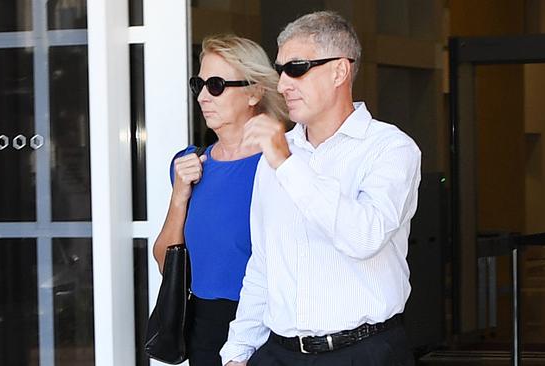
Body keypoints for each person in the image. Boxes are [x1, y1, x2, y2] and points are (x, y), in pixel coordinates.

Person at [220, 11, 421, 366]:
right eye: (280, 70)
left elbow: (363, 237)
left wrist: (287, 163)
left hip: (364, 353)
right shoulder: (278, 154)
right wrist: (238, 350)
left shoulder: (391, 148)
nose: (282, 84)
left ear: (340, 71)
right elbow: (264, 262)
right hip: (278, 352)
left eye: (296, 68)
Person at [152, 34, 288, 366]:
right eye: (198, 84)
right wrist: (179, 196)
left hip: (269, 326)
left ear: (255, 91)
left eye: (215, 85)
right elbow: (163, 261)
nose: (202, 97)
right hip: (203, 327)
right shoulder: (189, 163)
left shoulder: (281, 162)